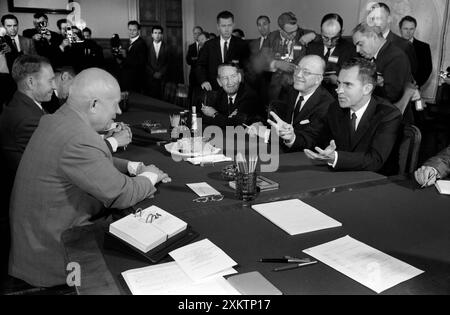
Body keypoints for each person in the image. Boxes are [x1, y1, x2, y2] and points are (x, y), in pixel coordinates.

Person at [8, 68, 171, 288]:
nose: (119, 112)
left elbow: (87, 160)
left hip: (36, 242)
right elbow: (123, 194)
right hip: (57, 257)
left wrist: (130, 166)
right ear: (94, 104)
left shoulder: (56, 120)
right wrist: (151, 176)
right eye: (114, 104)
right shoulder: (78, 138)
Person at [304, 57, 402, 174]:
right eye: (339, 83)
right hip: (341, 175)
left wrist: (336, 157)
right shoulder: (335, 108)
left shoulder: (389, 114)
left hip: (376, 182)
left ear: (367, 89)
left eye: (347, 85)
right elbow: (321, 141)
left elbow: (375, 160)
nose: (339, 90)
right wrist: (292, 136)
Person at [248, 55, 335, 152]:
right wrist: (260, 124)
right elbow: (278, 118)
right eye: (297, 69)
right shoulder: (290, 91)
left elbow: (311, 142)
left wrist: (268, 134)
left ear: (318, 79)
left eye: (306, 72)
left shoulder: (327, 105)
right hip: (279, 150)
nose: (298, 75)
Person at [353, 22, 411, 104]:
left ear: (373, 37)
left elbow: (391, 95)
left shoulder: (396, 57)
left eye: (360, 44)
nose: (357, 50)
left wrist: (372, 83)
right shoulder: (370, 56)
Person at [263, 12, 316, 102]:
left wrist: (313, 35)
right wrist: (276, 64)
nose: (294, 34)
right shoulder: (271, 38)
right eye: (290, 32)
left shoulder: (301, 33)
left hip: (298, 83)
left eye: (295, 30)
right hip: (277, 85)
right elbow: (261, 60)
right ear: (280, 29)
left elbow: (321, 37)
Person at [196, 11, 250, 91]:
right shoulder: (209, 45)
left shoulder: (242, 44)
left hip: (235, 89)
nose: (227, 29)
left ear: (233, 25)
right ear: (218, 27)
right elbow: (200, 66)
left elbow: (248, 68)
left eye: (229, 25)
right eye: (223, 26)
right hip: (213, 88)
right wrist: (203, 81)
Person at [306, 13, 356, 96]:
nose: (329, 43)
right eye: (325, 37)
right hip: (313, 92)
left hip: (336, 94)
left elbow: (352, 80)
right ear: (321, 31)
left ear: (341, 32)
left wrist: (338, 81)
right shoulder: (312, 47)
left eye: (334, 38)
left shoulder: (350, 49)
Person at [368, 2, 418, 80]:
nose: (375, 22)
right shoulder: (364, 43)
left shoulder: (404, 45)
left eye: (379, 18)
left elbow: (410, 76)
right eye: (372, 18)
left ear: (389, 19)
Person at [201, 63, 260, 128]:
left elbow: (237, 125)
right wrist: (224, 120)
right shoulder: (220, 94)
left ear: (239, 77)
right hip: (226, 136)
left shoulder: (249, 95)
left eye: (233, 76)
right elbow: (203, 119)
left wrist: (215, 114)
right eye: (225, 78)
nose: (230, 82)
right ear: (219, 82)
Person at [399, 15, 432, 88]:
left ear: (415, 29)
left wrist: (415, 85)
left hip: (413, 89)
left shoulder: (424, 47)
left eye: (411, 29)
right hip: (392, 88)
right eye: (405, 28)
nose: (408, 32)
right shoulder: (391, 45)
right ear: (400, 29)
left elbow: (427, 69)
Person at [117, 21, 148, 93]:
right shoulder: (128, 42)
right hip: (126, 77)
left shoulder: (141, 43)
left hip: (135, 79)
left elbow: (141, 62)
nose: (131, 32)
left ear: (138, 31)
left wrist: (125, 57)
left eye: (134, 30)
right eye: (130, 30)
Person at [146, 26, 168, 100]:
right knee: (151, 100)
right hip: (150, 78)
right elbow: (145, 62)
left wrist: (161, 73)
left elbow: (169, 63)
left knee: (163, 100)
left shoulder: (167, 47)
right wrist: (153, 73)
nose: (157, 35)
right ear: (152, 34)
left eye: (159, 33)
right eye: (155, 33)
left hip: (163, 78)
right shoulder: (147, 47)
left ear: (162, 35)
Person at [186, 26, 204, 105]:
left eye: (199, 33)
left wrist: (195, 59)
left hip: (203, 76)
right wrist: (197, 60)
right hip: (193, 75)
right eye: (195, 33)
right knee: (192, 96)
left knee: (202, 96)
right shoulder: (191, 46)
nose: (197, 35)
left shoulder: (206, 45)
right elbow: (188, 60)